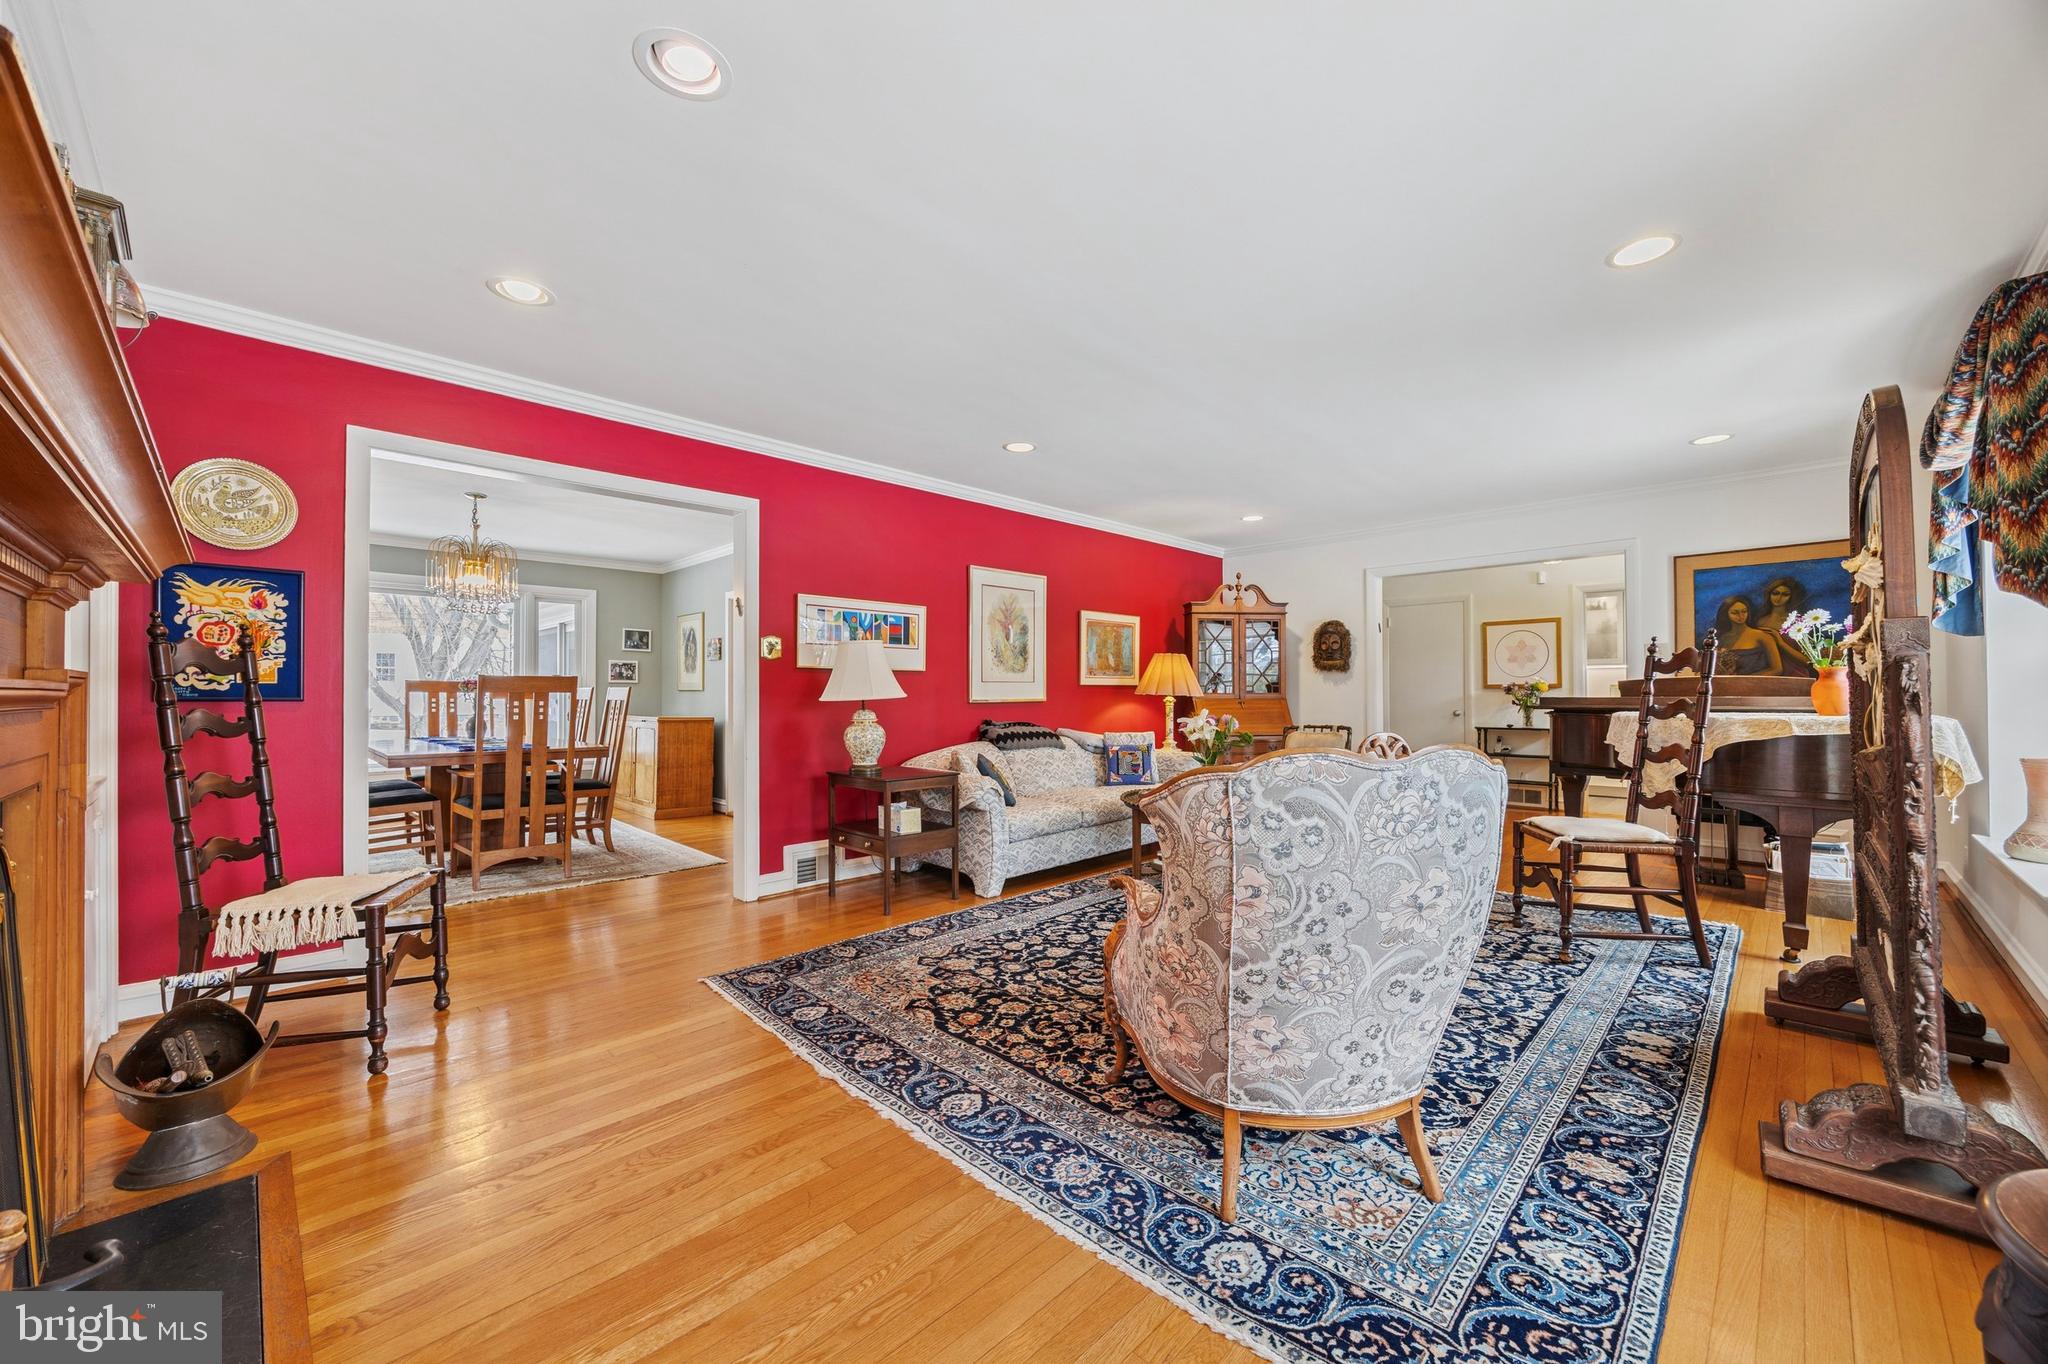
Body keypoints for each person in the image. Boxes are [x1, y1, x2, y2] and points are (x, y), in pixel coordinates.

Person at [1753, 577, 1814, 676]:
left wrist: (1780, 642)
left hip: (1794, 674)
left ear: (1792, 597)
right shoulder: (1760, 621)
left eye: (1785, 594)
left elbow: (1808, 661)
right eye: (1775, 593)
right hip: (1767, 674)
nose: (1779, 598)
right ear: (1769, 594)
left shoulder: (1798, 622)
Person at [1711, 595, 1785, 675]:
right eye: (1735, 613)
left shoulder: (1762, 636)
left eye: (1744, 611)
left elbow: (1777, 669)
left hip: (1757, 684)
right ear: (1726, 614)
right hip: (1730, 684)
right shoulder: (1723, 639)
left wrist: (1745, 680)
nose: (1741, 616)